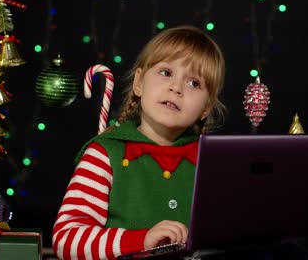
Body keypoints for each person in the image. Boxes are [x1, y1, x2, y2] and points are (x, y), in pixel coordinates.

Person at [52, 25, 226, 260]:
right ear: (139, 83)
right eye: (166, 72)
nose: (176, 88)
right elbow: (67, 239)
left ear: (206, 108)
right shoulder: (104, 154)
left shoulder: (210, 164)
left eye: (194, 83)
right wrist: (141, 241)